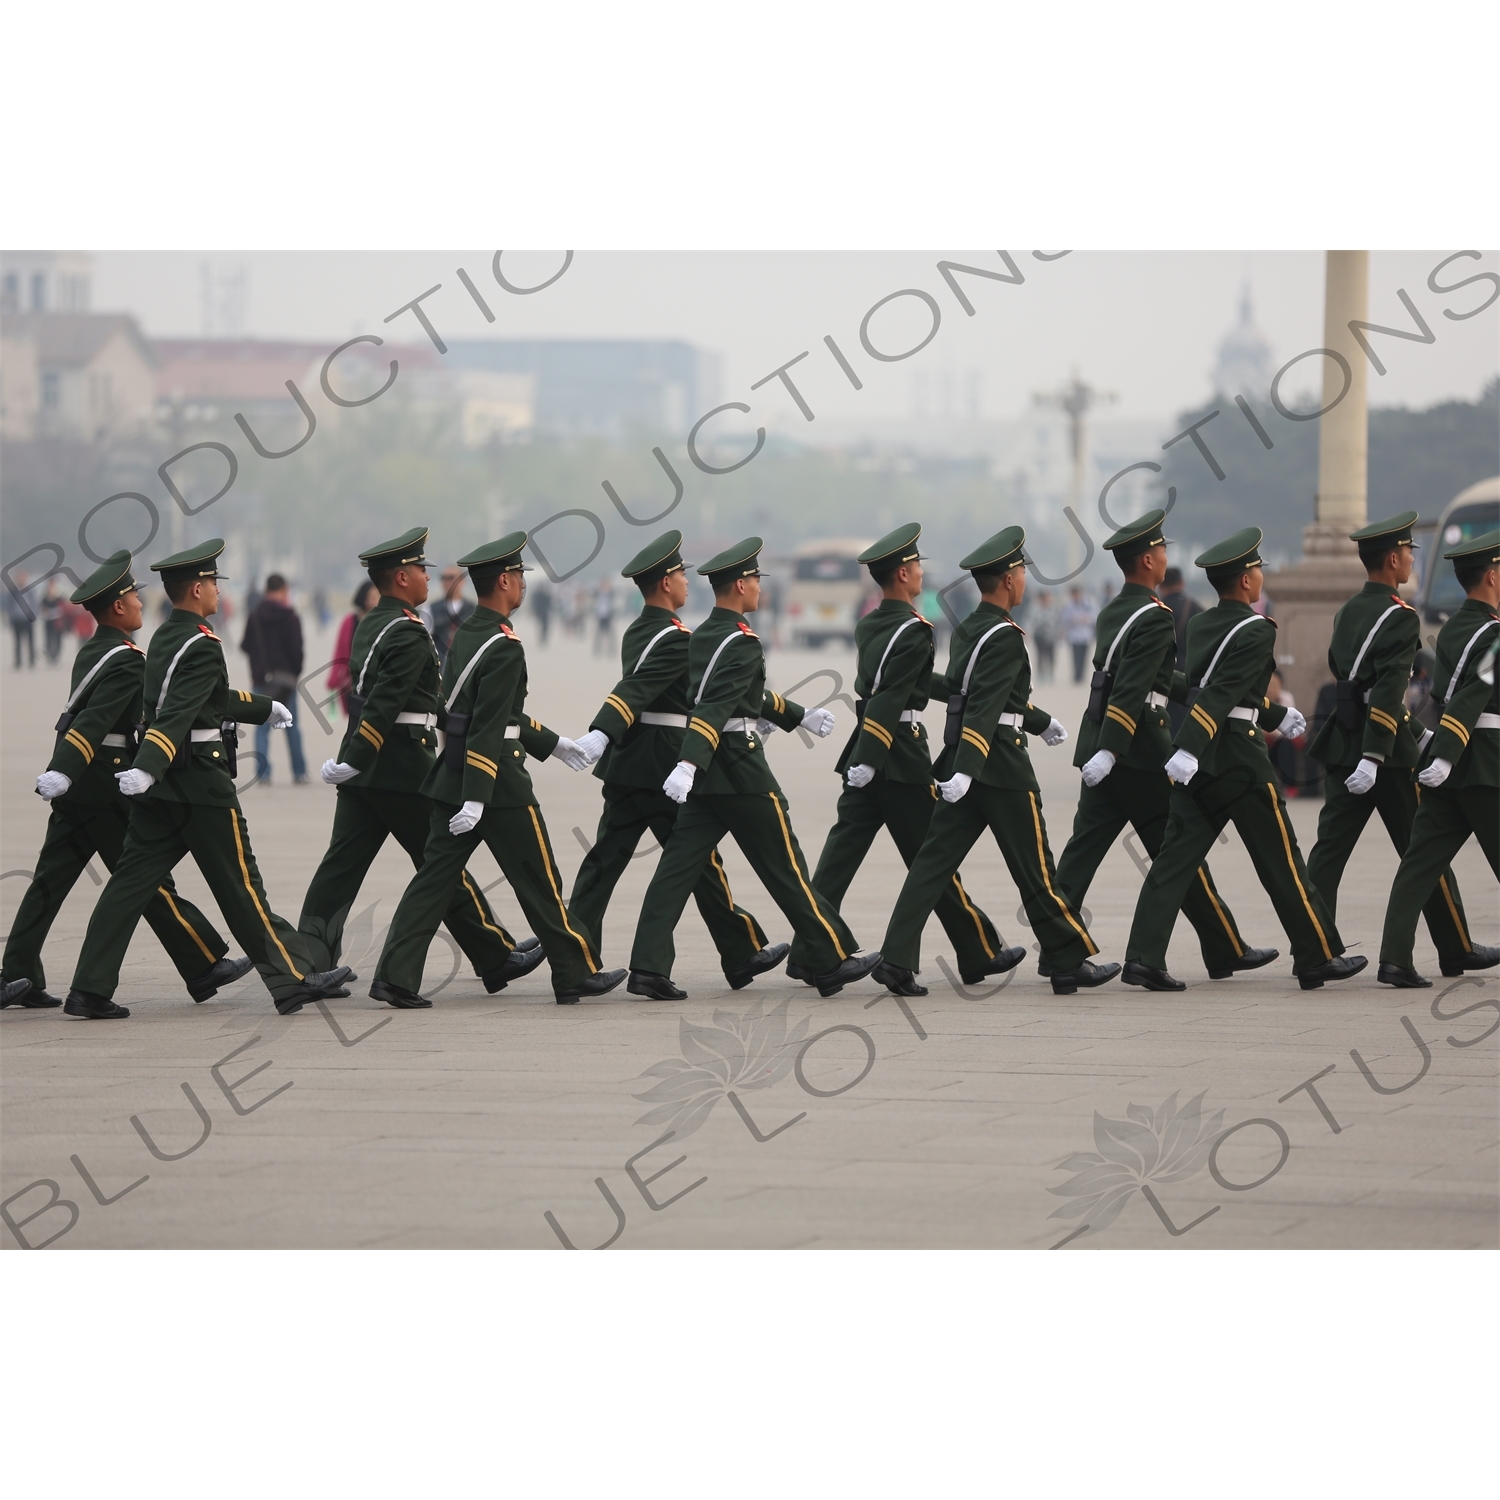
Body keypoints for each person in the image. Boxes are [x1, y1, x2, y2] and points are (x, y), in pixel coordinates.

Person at [61, 540, 352, 1019]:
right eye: (214, 583)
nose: (218, 591)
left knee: (129, 886)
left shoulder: (166, 638)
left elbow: (207, 697)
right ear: (197, 589)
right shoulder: (201, 643)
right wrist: (148, 763)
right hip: (198, 784)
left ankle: (89, 988)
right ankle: (291, 980)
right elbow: (175, 713)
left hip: (162, 790)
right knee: (241, 886)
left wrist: (263, 707)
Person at [370, 533, 625, 1008]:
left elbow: (467, 711)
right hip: (498, 785)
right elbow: (488, 725)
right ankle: (572, 972)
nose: (523, 586)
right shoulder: (504, 645)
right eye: (520, 578)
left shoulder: (467, 632)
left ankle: (394, 976)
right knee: (540, 879)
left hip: (452, 776)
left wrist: (551, 743)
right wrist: (478, 794)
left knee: (431, 881)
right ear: (505, 581)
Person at [627, 538, 882, 1000]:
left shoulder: (702, 635)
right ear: (741, 585)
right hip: (741, 770)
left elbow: (742, 695)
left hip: (707, 777)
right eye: (757, 581)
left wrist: (796, 714)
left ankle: (647, 966)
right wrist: (686, 761)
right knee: (786, 869)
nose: (761, 589)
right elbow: (720, 704)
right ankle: (828, 960)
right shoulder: (742, 641)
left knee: (674, 873)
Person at [1, 551, 253, 1010]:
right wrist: (66, 768)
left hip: (81, 789)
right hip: (107, 786)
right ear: (118, 607)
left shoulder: (95, 650)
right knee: (146, 881)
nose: (141, 603)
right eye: (134, 597)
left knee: (51, 881)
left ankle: (16, 971)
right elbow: (94, 722)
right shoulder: (127, 660)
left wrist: (65, 773)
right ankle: (200, 964)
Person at [875, 528, 1119, 997]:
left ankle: (896, 959)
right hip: (999, 766)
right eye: (1022, 571)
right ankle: (1067, 961)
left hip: (964, 762)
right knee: (1036, 871)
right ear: (1008, 580)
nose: (1026, 578)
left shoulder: (970, 627)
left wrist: (1038, 722)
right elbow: (986, 704)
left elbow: (979, 694)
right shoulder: (1005, 636)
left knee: (930, 866)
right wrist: (971, 766)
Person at [1121, 527, 1365, 992]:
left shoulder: (1199, 624)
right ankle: (1316, 955)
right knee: (1282, 862)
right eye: (1256, 570)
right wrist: (1192, 745)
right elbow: (1222, 693)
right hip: (1237, 758)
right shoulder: (1256, 629)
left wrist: (1275, 714)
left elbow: (1218, 690)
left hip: (1202, 761)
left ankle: (1143, 957)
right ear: (1246, 582)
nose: (1259, 577)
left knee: (1174, 862)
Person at [299, 527, 540, 991]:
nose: (429, 578)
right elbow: (388, 702)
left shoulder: (373, 621)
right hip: (400, 766)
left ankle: (307, 961)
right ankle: (494, 955)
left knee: (339, 869)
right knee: (440, 864)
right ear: (402, 577)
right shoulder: (408, 632)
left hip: (366, 768)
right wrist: (361, 755)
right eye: (422, 570)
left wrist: (354, 757)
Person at [789, 523, 1015, 998]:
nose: (920, 575)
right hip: (898, 756)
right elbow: (892, 697)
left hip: (865, 753)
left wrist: (953, 688)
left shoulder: (871, 623)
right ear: (904, 573)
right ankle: (947, 956)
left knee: (838, 859)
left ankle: (811, 953)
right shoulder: (915, 630)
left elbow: (894, 682)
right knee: (931, 862)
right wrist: (874, 756)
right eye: (916, 568)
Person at [1054, 510, 1274, 984]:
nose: (1166, 558)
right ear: (1151, 559)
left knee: (1082, 855)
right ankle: (1187, 953)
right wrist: (1114, 750)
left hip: (1103, 743)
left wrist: (1198, 691)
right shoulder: (1155, 617)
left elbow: (1151, 678)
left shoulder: (1117, 608)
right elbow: (1131, 689)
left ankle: (1060, 953)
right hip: (1136, 749)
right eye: (1163, 551)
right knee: (1177, 853)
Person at [566, 530, 785, 990]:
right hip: (663, 763)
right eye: (682, 574)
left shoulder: (639, 629)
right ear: (666, 583)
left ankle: (575, 961)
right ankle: (731, 954)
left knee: (605, 865)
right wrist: (600, 730)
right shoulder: (675, 638)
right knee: (698, 861)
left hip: (629, 765)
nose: (688, 581)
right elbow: (664, 692)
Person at [1308, 512, 1489, 985]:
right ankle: (1453, 946)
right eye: (1409, 552)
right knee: (1422, 853)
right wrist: (1378, 754)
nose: (1411, 559)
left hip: (1344, 738)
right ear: (1393, 558)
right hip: (1382, 752)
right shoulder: (1401, 616)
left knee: (1329, 853)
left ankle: (1311, 945)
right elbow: (1388, 690)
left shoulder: (1349, 611)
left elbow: (1347, 676)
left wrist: (1419, 733)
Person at [1377, 528, 1500, 987]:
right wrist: (1447, 752)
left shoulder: (1453, 627)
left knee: (1419, 865)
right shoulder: (1493, 635)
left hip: (1450, 764)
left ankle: (1395, 959)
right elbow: (1475, 692)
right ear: (1491, 575)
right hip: (1484, 760)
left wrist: (1442, 752)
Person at [241, 573, 308, 784]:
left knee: (261, 728)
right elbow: (297, 651)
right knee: (292, 727)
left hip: (261, 679)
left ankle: (263, 773)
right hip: (286, 680)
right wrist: (294, 672)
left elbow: (245, 645)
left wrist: (258, 666)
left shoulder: (255, 615)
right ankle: (299, 772)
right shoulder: (290, 616)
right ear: (282, 590)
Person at [329, 581, 379, 717]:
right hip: (352, 682)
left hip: (375, 682)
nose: (374, 600)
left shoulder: (381, 621)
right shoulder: (349, 622)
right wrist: (333, 678)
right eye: (371, 596)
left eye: (377, 596)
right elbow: (339, 651)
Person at [430, 564, 475, 666]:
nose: (447, 582)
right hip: (439, 665)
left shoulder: (473, 610)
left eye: (451, 577)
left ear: (462, 581)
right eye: (444, 578)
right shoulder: (431, 609)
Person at [1062, 585, 1097, 684]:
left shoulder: (1089, 604)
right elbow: (1065, 618)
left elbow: (1095, 616)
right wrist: (1074, 619)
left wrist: (1086, 619)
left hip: (1085, 635)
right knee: (1075, 657)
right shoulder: (1069, 605)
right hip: (1074, 636)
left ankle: (1081, 675)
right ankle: (1076, 675)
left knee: (1084, 657)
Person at [7, 570, 36, 668]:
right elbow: (9, 605)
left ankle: (32, 661)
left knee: (30, 641)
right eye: (20, 577)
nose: (21, 579)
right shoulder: (13, 591)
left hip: (28, 619)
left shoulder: (30, 590)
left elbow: (35, 603)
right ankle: (18, 662)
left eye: (23, 577)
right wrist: (11, 617)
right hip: (17, 619)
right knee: (17, 641)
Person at [1029, 589, 1059, 683]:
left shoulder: (1054, 609)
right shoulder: (1035, 609)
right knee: (1040, 656)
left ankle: (1050, 673)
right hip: (1039, 636)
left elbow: (1058, 622)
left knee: (1052, 656)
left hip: (1051, 636)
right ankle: (1041, 675)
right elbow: (1031, 622)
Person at [41, 578, 68, 665]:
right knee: (48, 639)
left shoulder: (60, 598)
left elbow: (64, 609)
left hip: (58, 623)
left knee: (58, 640)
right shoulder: (44, 599)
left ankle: (56, 657)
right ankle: (50, 656)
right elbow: (42, 610)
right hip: (48, 622)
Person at [593, 576, 616, 656]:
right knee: (598, 634)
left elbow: (613, 595)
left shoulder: (610, 593)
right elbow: (593, 595)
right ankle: (597, 650)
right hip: (600, 615)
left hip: (608, 615)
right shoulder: (598, 593)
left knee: (610, 634)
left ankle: (611, 651)